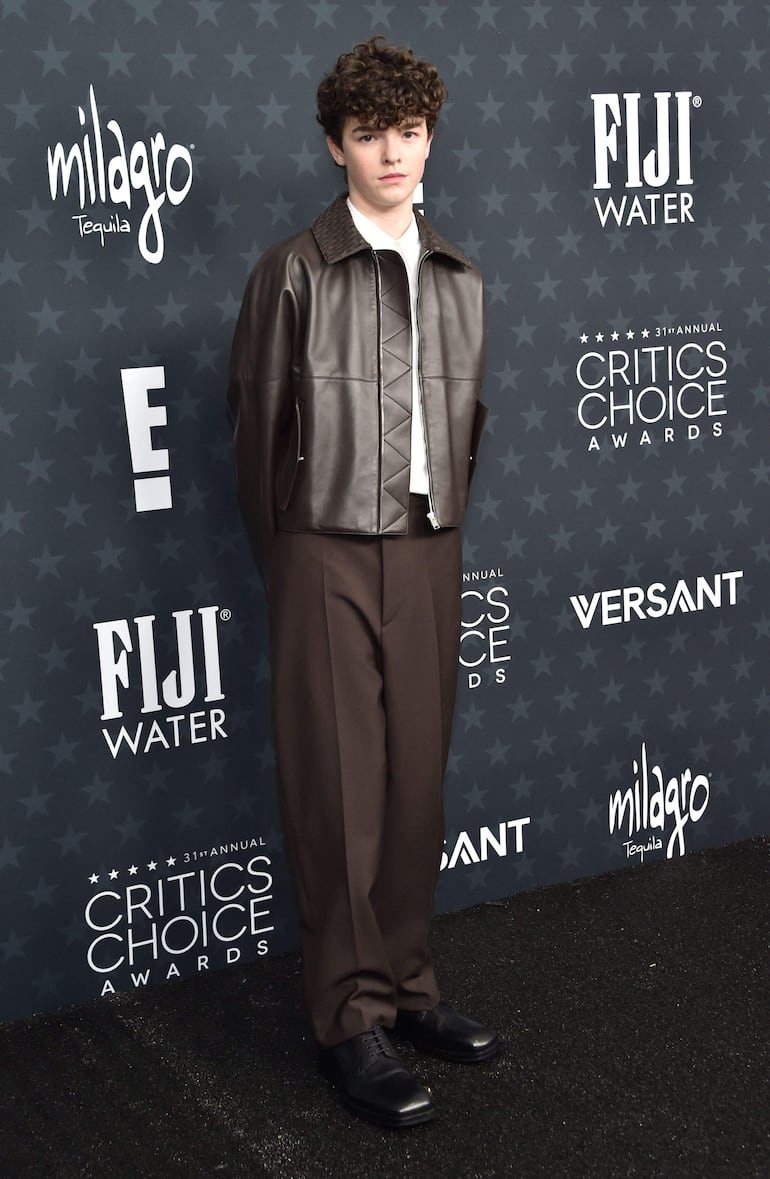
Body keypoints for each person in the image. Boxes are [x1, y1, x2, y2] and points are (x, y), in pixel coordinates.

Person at [227, 35, 498, 1128]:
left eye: (410, 131)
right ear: (335, 145)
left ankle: (405, 991)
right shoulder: (291, 270)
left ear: (430, 138)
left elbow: (465, 429)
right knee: (339, 789)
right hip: (322, 544)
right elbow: (255, 444)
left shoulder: (461, 276)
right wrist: (295, 558)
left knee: (412, 782)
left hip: (431, 549)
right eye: (370, 133)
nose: (393, 151)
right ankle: (348, 1021)